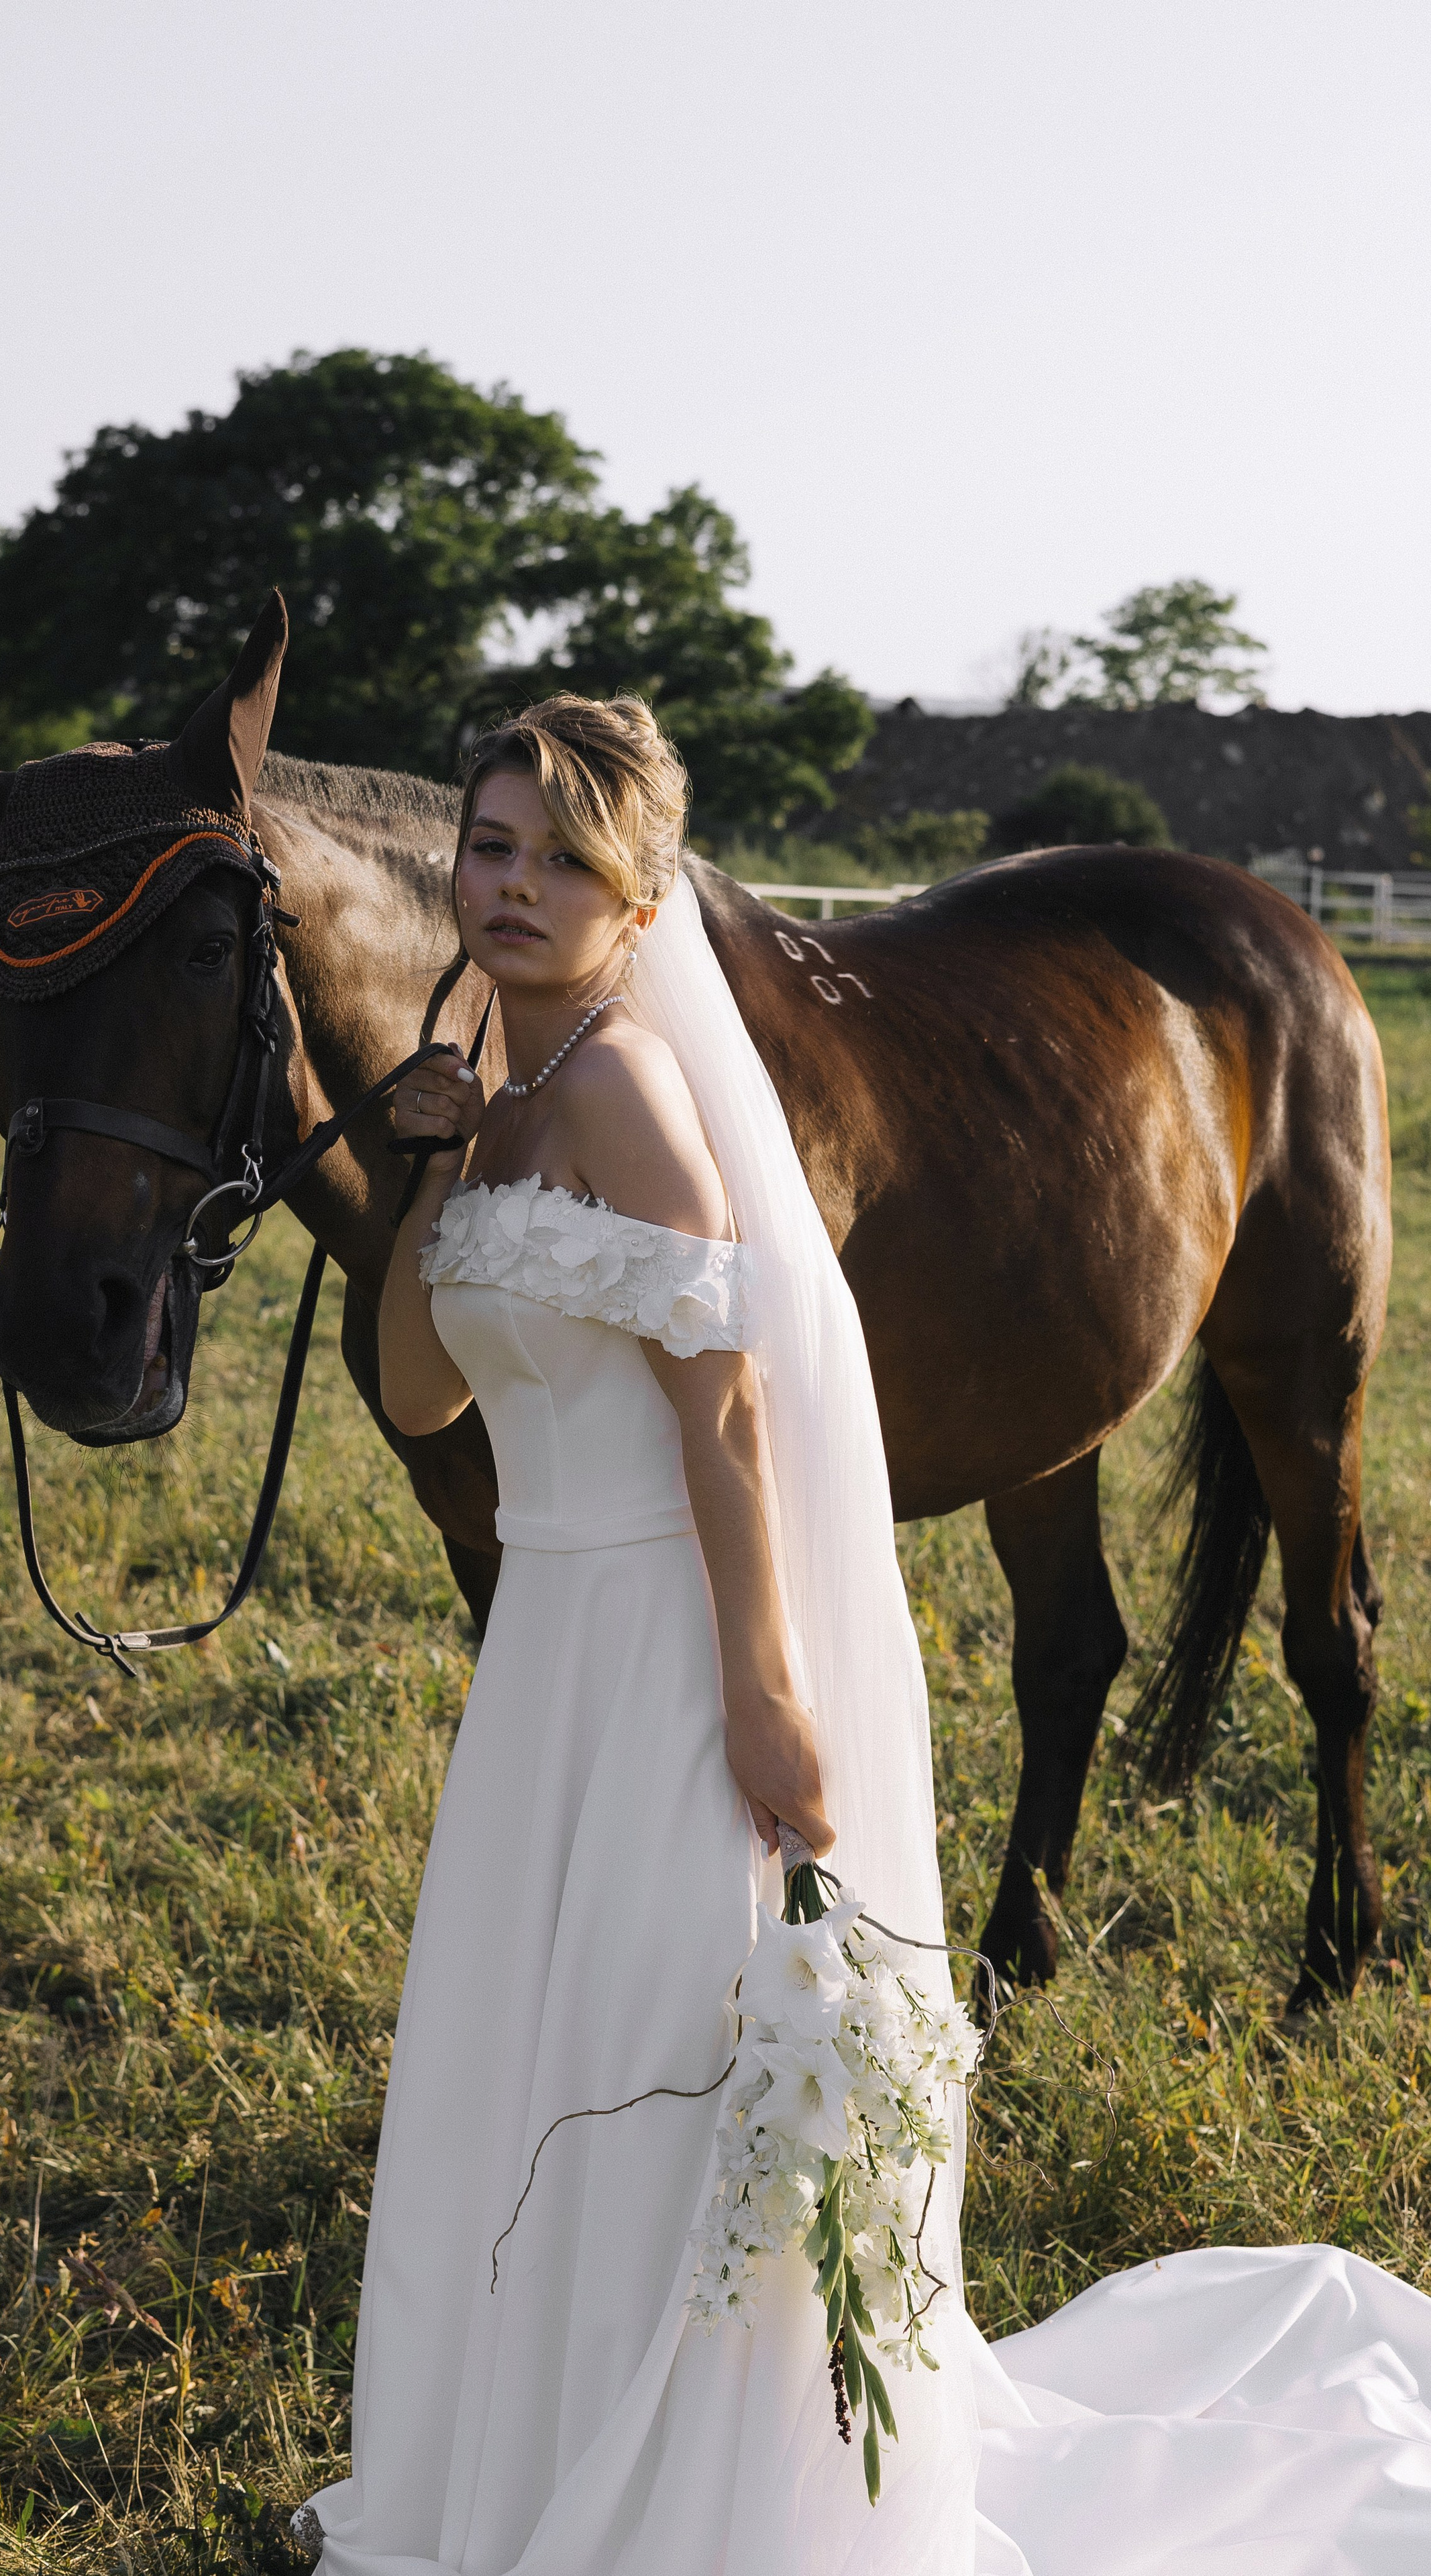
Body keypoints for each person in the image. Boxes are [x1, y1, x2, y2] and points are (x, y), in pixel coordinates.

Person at [297, 698, 1431, 2575]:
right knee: (540, 2049)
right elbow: (423, 1397)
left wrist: (764, 1690)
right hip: (549, 1670)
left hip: (661, 1644)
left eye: (561, 858)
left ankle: (709, 2498)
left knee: (664, 2063)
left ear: (636, 889)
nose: (508, 888)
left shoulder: (633, 1102)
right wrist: (428, 1169)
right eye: (488, 847)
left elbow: (731, 1413)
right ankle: (535, 2453)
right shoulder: (503, 1106)